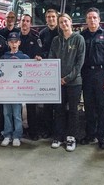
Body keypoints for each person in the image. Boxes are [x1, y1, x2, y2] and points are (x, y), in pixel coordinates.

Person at [80, 7, 104, 149]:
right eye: (89, 18)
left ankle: (102, 136)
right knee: (88, 107)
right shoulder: (82, 36)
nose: (92, 20)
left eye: (94, 17)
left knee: (102, 107)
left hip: (102, 74)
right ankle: (90, 134)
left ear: (99, 20)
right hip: (87, 75)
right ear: (86, 20)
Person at [49, 13, 85, 152]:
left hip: (74, 82)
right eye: (61, 22)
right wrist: (56, 78)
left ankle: (71, 137)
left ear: (71, 22)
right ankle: (58, 136)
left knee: (73, 111)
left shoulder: (79, 39)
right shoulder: (56, 41)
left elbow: (79, 63)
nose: (64, 24)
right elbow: (51, 59)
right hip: (57, 82)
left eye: (66, 21)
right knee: (58, 110)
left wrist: (66, 78)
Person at [0, 32, 30, 147]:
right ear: (8, 43)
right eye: (11, 42)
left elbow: (31, 71)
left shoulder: (25, 57)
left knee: (17, 114)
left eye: (16, 42)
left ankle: (17, 135)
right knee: (6, 113)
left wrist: (37, 61)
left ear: (19, 43)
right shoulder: (4, 57)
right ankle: (7, 135)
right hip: (6, 91)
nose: (13, 44)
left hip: (18, 91)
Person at [19, 14, 43, 141]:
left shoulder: (36, 37)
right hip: (16, 76)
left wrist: (39, 58)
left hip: (30, 76)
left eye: (27, 21)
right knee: (16, 105)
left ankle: (33, 131)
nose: (25, 23)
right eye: (23, 20)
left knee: (31, 105)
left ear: (30, 23)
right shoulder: (14, 37)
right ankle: (18, 130)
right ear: (20, 22)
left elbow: (40, 53)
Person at [39, 9, 59, 138]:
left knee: (59, 105)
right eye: (48, 17)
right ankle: (47, 129)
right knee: (47, 104)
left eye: (53, 17)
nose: (51, 19)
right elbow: (40, 50)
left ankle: (58, 130)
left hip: (60, 71)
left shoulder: (62, 31)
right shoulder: (42, 33)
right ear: (46, 19)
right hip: (46, 71)